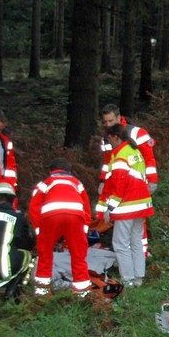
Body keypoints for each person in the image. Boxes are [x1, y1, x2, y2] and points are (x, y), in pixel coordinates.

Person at [96, 123, 154, 287]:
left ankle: (127, 279)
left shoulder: (121, 155)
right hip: (142, 205)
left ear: (116, 137)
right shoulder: (134, 151)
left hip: (127, 206)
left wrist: (110, 208)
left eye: (109, 139)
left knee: (120, 244)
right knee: (136, 241)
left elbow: (119, 186)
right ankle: (138, 278)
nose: (109, 143)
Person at [28, 159, 93, 297]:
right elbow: (86, 209)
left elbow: (33, 208)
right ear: (69, 171)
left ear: (51, 171)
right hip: (75, 217)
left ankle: (42, 293)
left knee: (45, 255)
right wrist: (84, 229)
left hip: (51, 217)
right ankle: (83, 294)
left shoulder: (45, 183)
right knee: (78, 256)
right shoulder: (77, 183)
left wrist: (40, 230)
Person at [99, 104, 158, 254]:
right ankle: (130, 253)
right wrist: (103, 181)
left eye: (111, 121)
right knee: (122, 218)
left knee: (137, 218)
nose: (108, 125)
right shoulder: (106, 139)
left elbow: (149, 159)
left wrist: (152, 181)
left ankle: (140, 252)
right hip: (118, 182)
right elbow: (108, 163)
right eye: (105, 122)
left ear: (119, 117)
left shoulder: (137, 133)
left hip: (137, 183)